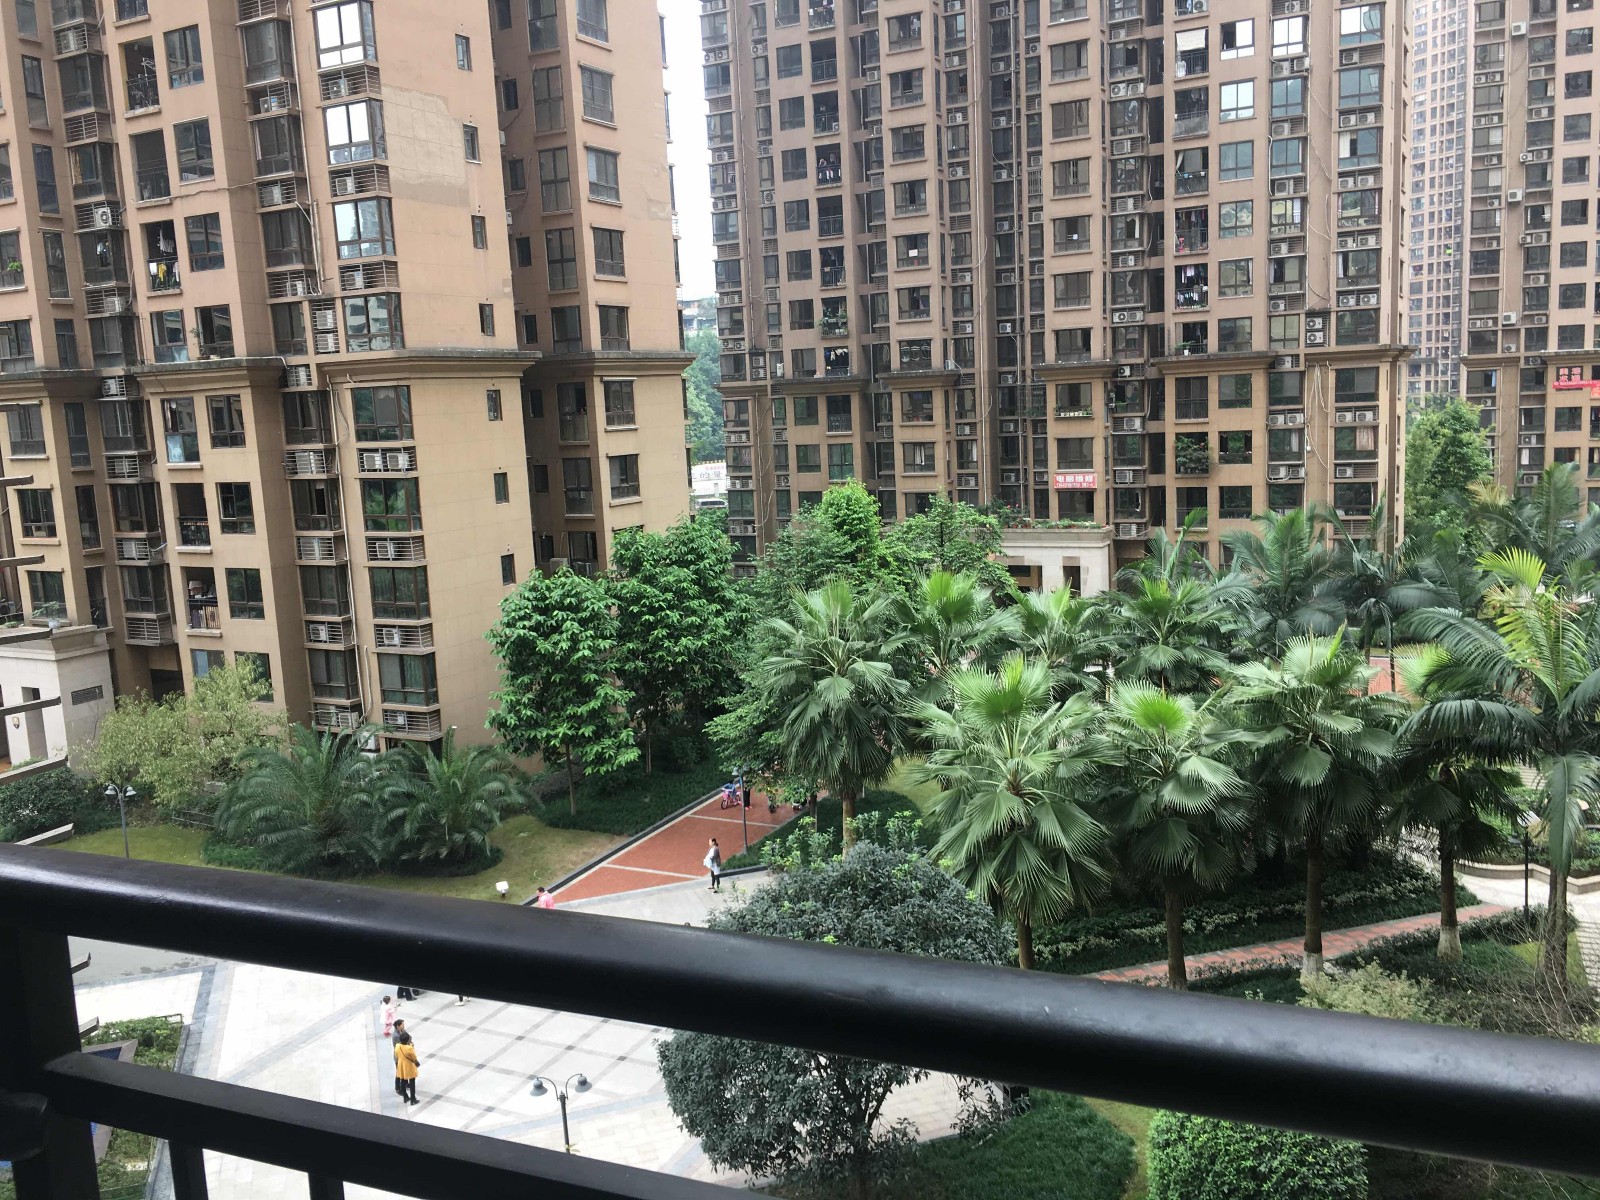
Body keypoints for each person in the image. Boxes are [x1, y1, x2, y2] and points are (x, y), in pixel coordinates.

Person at [393, 1023, 420, 1106]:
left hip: (401, 1065)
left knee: (402, 1081)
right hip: (409, 1066)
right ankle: (413, 1099)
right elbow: (414, 1057)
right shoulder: (409, 1048)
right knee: (412, 1083)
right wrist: (411, 1045)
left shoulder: (397, 1046)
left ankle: (405, 1097)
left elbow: (396, 1055)